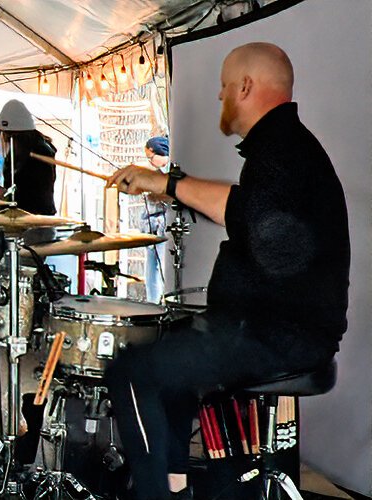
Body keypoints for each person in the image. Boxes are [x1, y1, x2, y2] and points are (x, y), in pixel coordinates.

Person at [105, 43, 347, 500]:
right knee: (167, 350)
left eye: (223, 86)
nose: (220, 97)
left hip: (279, 334)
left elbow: (243, 209)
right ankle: (176, 482)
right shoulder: (286, 149)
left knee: (132, 371)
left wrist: (166, 182)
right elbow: (257, 217)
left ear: (245, 86)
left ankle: (155, 493)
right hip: (273, 326)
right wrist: (178, 193)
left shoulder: (285, 151)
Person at [0, 100, 57, 216]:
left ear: (17, 134)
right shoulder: (15, 153)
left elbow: (38, 195)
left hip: (37, 223)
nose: (5, 138)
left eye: (7, 134)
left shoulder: (41, 153)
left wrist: (7, 195)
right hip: (21, 219)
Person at [141, 136, 171, 300]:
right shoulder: (155, 176)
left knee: (163, 273)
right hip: (152, 231)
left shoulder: (172, 176)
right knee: (151, 275)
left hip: (164, 231)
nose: (150, 162)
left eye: (151, 157)